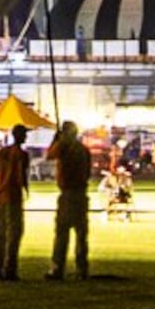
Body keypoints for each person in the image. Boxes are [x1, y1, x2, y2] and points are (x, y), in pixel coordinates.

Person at [48, 120, 94, 280]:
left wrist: (56, 139)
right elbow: (88, 172)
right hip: (81, 193)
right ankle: (82, 269)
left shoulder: (63, 147)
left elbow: (49, 155)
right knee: (81, 234)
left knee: (62, 233)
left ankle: (57, 268)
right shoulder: (83, 150)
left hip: (67, 193)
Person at [0, 124, 32, 280]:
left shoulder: (2, 152)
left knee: (0, 232)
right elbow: (22, 175)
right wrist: (25, 189)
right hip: (13, 195)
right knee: (14, 233)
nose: (26, 137)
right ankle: (9, 268)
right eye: (24, 134)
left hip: (2, 194)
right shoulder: (22, 154)